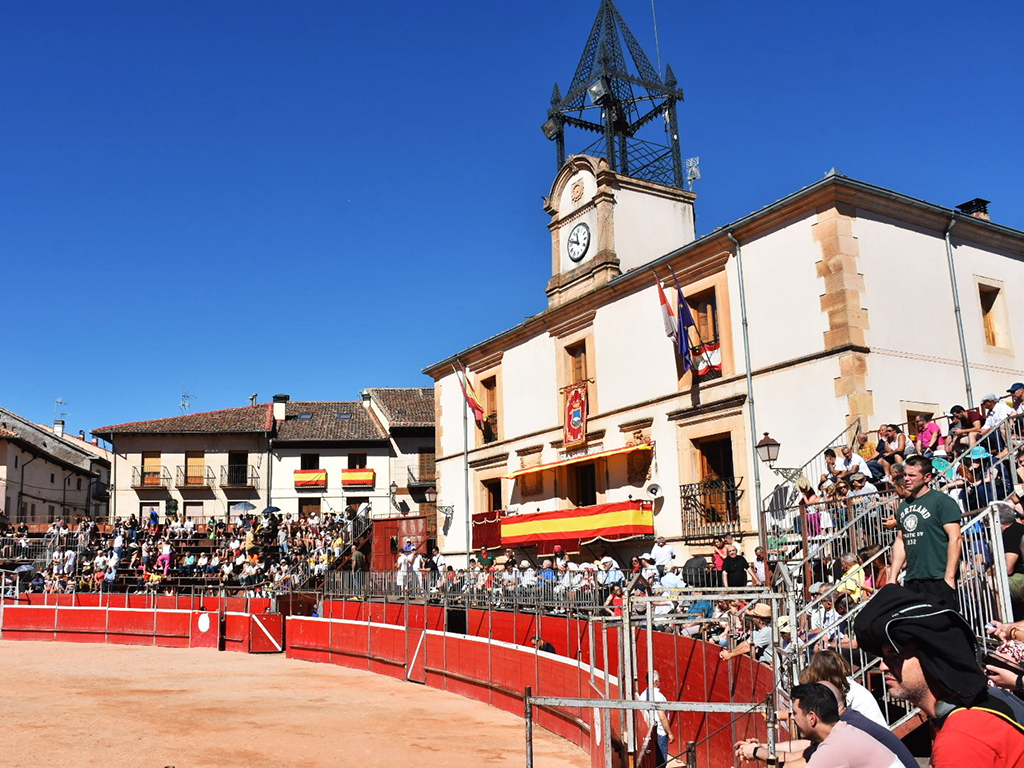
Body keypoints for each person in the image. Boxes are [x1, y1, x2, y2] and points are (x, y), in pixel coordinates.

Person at [855, 584, 1024, 768]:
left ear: (930, 659)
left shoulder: (959, 740)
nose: (883, 666)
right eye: (884, 657)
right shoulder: (987, 698)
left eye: (895, 656)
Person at [887, 455, 961, 610]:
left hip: (938, 577)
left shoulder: (942, 501)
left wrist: (949, 577)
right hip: (913, 578)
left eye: (912, 475)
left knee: (943, 621)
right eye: (905, 475)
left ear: (927, 477)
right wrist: (892, 577)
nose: (906, 479)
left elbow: (955, 538)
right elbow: (900, 541)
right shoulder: (904, 506)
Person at [639, 670, 674, 768]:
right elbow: (662, 717)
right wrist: (670, 733)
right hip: (660, 733)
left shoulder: (643, 695)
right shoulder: (658, 696)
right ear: (656, 682)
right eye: (659, 680)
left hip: (648, 734)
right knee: (661, 763)